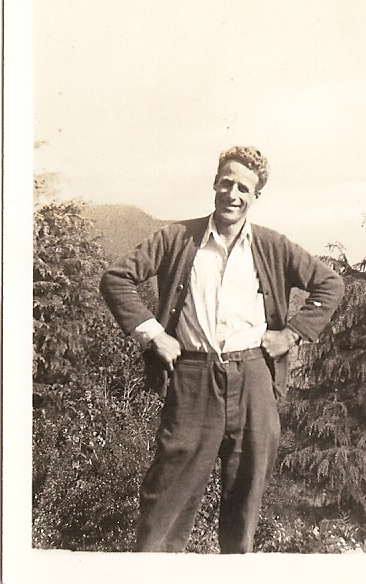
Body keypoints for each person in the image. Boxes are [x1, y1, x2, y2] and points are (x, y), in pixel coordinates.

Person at [100, 145, 344, 554]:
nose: (233, 194)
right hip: (192, 378)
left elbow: (330, 284)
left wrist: (291, 334)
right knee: (166, 498)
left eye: (244, 188)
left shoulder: (272, 245)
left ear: (256, 196)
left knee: (245, 499)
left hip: (254, 379)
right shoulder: (178, 238)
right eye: (227, 183)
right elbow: (116, 278)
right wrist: (154, 334)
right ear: (215, 184)